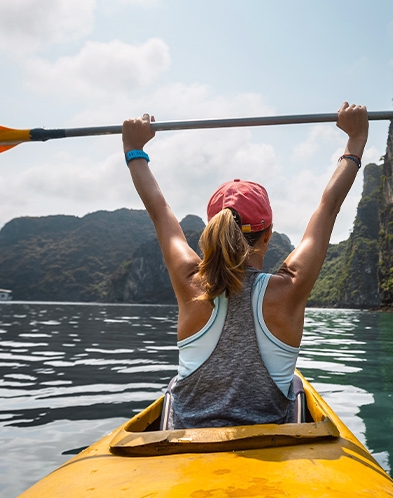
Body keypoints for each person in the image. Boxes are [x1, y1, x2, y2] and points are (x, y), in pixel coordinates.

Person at [122, 102, 368, 428]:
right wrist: (355, 141)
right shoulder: (289, 288)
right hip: (268, 447)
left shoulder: (190, 282)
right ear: (268, 235)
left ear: (211, 230)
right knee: (294, 387)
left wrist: (134, 149)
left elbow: (159, 209)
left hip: (187, 452)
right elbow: (329, 206)